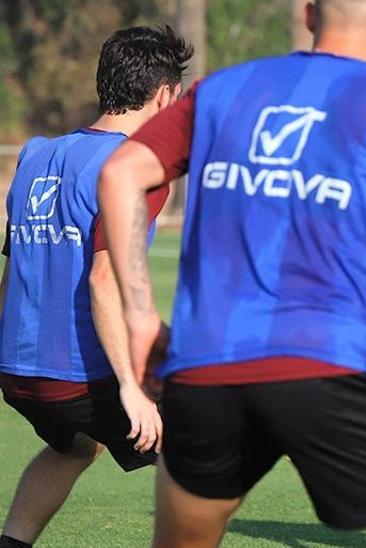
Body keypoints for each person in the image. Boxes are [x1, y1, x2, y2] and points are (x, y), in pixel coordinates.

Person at [96, 1, 366, 546]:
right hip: (328, 370)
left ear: (311, 14)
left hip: (205, 373)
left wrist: (142, 318)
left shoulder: (223, 90)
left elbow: (121, 171)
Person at [0, 26, 190, 548]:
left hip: (18, 372)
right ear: (164, 95)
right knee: (205, 442)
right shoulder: (136, 168)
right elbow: (105, 278)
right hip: (80, 376)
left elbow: (12, 271)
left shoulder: (35, 155)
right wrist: (133, 387)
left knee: (76, 447)